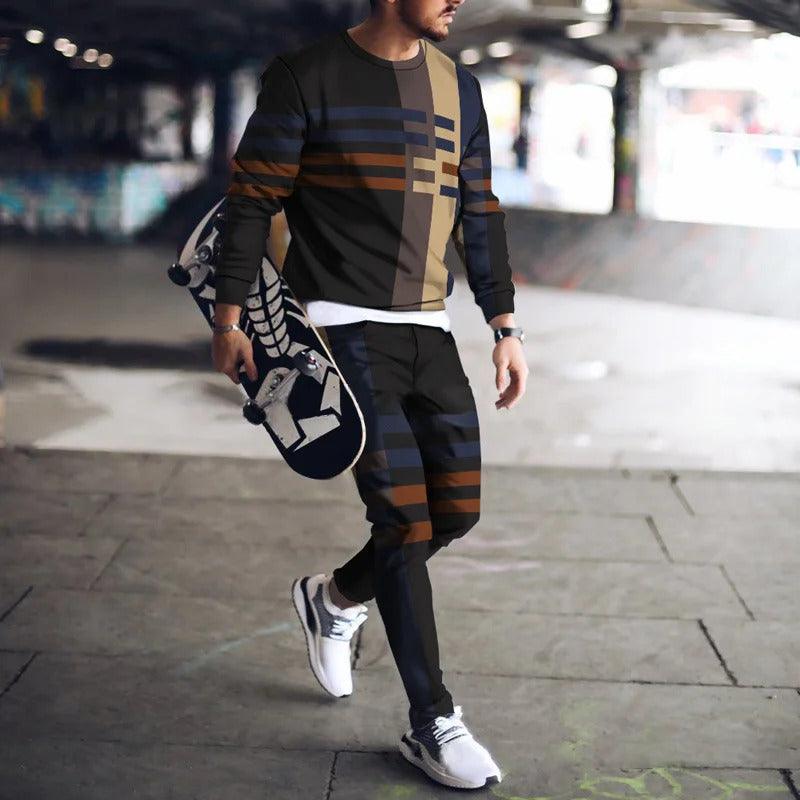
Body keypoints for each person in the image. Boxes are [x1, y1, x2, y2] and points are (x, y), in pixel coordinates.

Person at [211, 0, 528, 789]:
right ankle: (432, 721)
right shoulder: (305, 76)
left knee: (454, 512)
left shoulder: (461, 88)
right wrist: (229, 315)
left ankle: (333, 598)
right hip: (338, 330)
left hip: (429, 329)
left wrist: (503, 322)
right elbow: (252, 199)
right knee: (403, 520)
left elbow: (479, 209)